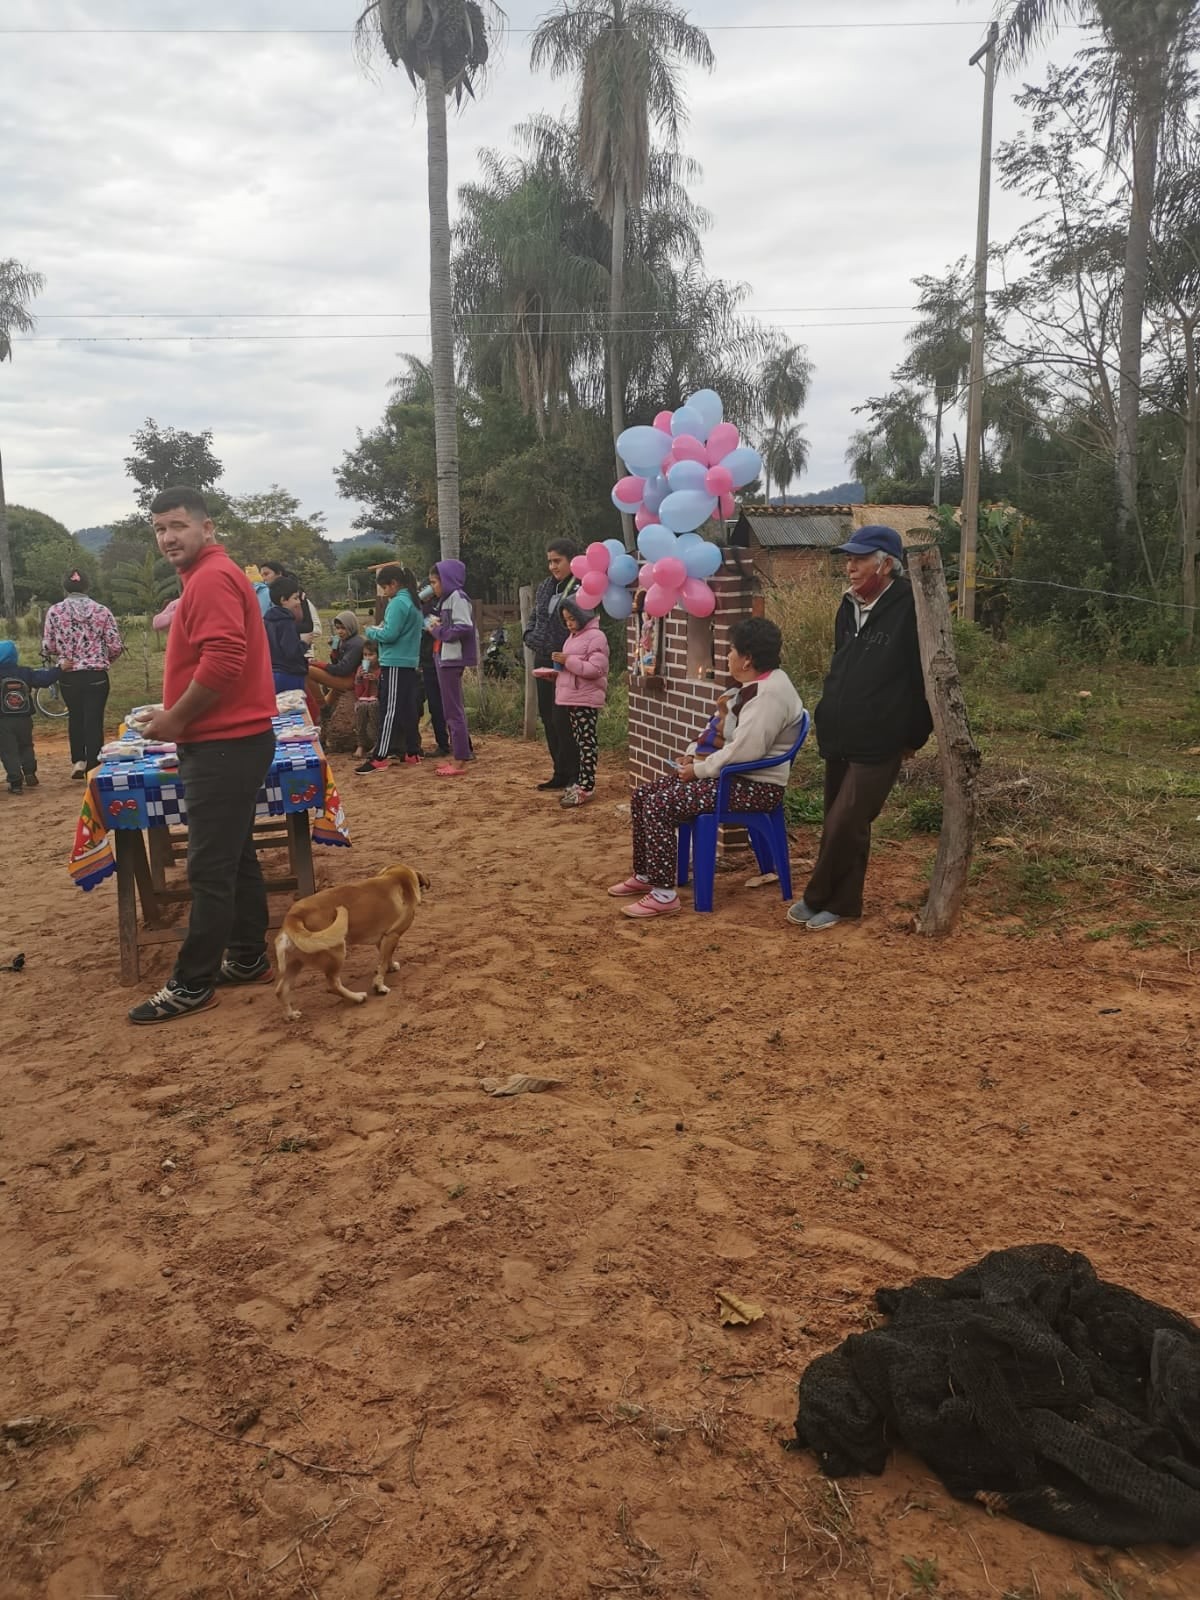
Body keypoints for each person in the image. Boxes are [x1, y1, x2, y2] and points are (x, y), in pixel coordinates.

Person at [127, 486, 278, 1024]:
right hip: (232, 739)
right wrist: (175, 714)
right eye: (159, 529)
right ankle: (249, 956)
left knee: (209, 868)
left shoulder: (212, 576)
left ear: (206, 527)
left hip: (223, 744)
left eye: (177, 526)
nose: (168, 538)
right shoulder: (208, 575)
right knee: (235, 855)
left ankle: (192, 983)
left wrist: (176, 720)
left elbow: (224, 659)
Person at [608, 616, 805, 920]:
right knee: (643, 795)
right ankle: (647, 874)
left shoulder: (768, 695)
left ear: (748, 659)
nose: (727, 656)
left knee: (660, 805)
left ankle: (664, 894)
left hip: (754, 787)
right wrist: (693, 756)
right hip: (733, 779)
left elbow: (745, 752)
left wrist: (699, 771)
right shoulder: (752, 686)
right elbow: (718, 730)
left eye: (731, 650)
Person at [786, 525, 932, 931]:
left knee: (845, 821)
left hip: (882, 736)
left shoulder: (910, 606)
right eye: (848, 559)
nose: (849, 566)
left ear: (885, 565)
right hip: (840, 732)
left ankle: (816, 896)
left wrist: (915, 736)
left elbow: (924, 676)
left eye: (859, 559)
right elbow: (841, 662)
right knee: (844, 822)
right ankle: (845, 904)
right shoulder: (848, 605)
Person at [42, 570, 123, 777]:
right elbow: (115, 645)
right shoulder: (102, 611)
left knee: (75, 716)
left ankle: (78, 760)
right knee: (94, 719)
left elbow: (48, 646)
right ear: (87, 586)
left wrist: (63, 656)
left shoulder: (54, 611)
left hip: (69, 673)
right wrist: (103, 660)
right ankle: (94, 765)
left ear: (65, 587)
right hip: (96, 674)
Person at [523, 541, 580, 790]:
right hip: (543, 658)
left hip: (566, 660)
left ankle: (575, 773)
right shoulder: (546, 586)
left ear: (571, 560)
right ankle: (559, 772)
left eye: (557, 561)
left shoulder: (580, 587)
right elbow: (535, 617)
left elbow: (580, 624)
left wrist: (563, 649)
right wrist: (530, 637)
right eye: (550, 561)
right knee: (548, 717)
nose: (553, 566)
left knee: (563, 718)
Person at [356, 563, 423, 774]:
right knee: (408, 709)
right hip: (409, 662)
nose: (384, 592)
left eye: (384, 587)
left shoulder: (397, 603)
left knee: (390, 710)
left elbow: (389, 634)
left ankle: (380, 756)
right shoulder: (413, 601)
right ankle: (412, 751)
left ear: (393, 584)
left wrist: (371, 632)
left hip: (395, 662)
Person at [552, 598, 608, 809]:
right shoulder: (572, 637)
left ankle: (587, 786)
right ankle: (581, 782)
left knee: (586, 742)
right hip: (573, 697)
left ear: (582, 615)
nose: (569, 624)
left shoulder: (596, 637)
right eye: (566, 620)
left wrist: (568, 661)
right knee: (579, 741)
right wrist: (556, 674)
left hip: (586, 698)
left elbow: (595, 669)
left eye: (572, 619)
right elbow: (573, 668)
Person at [426, 560, 477, 777]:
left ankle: (460, 759)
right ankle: (459, 755)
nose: (433, 587)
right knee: (451, 710)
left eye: (435, 582)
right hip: (443, 657)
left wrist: (438, 631)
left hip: (451, 659)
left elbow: (464, 626)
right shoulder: (447, 599)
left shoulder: (458, 597)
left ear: (446, 580)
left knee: (453, 711)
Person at [0, 640, 63, 794]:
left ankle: (15, 783)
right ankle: (30, 773)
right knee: (26, 745)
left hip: (3, 721)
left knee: (9, 751)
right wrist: (60, 669)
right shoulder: (24, 672)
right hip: (24, 719)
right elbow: (45, 679)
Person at [416, 587, 451, 757]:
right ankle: (443, 744)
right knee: (435, 706)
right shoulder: (419, 609)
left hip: (443, 659)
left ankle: (462, 744)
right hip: (427, 662)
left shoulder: (444, 604)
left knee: (451, 704)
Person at [263, 575, 311, 695]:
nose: (298, 602)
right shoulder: (286, 622)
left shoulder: (267, 620)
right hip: (289, 675)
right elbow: (291, 651)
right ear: (283, 600)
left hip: (272, 674)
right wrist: (304, 643)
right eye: (295, 598)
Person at [353, 638, 382, 758]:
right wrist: (359, 679)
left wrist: (376, 680)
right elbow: (358, 694)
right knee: (362, 707)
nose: (368, 658)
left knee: (373, 706)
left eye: (371, 655)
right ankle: (361, 744)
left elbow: (384, 691)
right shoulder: (361, 668)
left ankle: (377, 743)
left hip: (378, 700)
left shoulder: (382, 669)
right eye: (365, 655)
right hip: (364, 699)